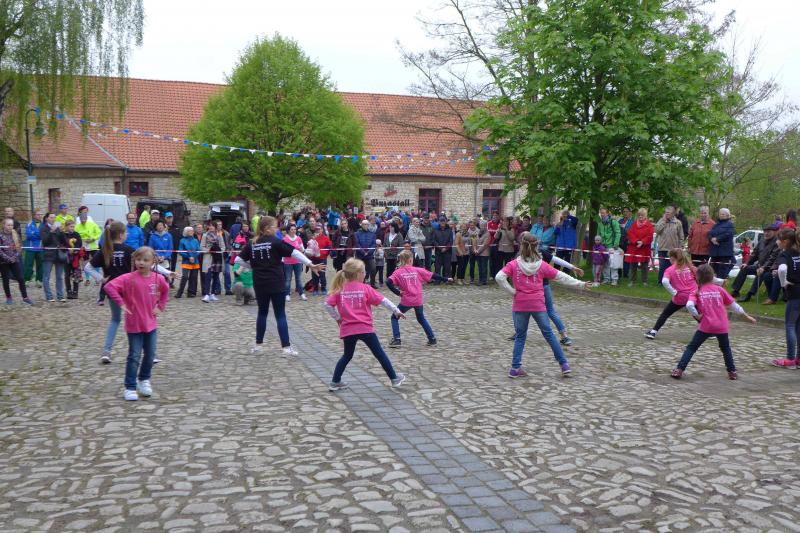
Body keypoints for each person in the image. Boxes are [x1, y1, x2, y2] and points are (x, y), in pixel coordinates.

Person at [495, 232, 589, 378]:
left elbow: (499, 277)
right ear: (536, 246)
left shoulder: (514, 264)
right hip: (538, 304)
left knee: (520, 337)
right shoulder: (542, 265)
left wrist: (512, 292)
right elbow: (561, 277)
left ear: (521, 246)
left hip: (520, 304)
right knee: (549, 334)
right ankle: (564, 365)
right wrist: (580, 284)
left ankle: (515, 368)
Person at [238, 216, 324, 355]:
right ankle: (286, 347)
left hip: (260, 283)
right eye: (275, 227)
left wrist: (254, 266)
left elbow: (238, 259)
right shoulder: (276, 242)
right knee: (280, 314)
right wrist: (310, 264)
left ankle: (258, 345)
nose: (277, 229)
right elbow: (295, 252)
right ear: (267, 228)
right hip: (276, 282)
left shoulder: (252, 243)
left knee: (262, 313)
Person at [324, 258, 406, 391]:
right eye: (364, 272)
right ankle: (394, 378)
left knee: (347, 356)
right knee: (379, 354)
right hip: (365, 329)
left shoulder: (340, 290)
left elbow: (327, 305)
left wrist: (338, 318)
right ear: (358, 274)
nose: (365, 274)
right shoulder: (365, 288)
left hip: (348, 330)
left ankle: (335, 381)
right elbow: (383, 300)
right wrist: (396, 311)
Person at [103, 247, 169, 401]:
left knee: (150, 355)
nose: (141, 263)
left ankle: (144, 379)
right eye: (138, 260)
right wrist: (120, 303)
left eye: (145, 260)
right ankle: (130, 386)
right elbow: (109, 287)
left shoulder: (158, 278)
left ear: (153, 262)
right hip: (134, 325)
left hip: (151, 324)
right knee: (134, 356)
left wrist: (160, 307)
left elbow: (165, 291)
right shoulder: (128, 278)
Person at [671, 264, 756, 380]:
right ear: (712, 276)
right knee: (725, 348)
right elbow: (735, 306)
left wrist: (697, 316)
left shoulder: (696, 292)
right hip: (722, 325)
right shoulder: (720, 290)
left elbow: (689, 305)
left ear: (697, 277)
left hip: (706, 325)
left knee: (692, 347)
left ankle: (679, 370)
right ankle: (732, 372)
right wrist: (747, 317)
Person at [85, 221, 134, 363]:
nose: (127, 234)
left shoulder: (105, 250)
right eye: (125, 232)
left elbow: (87, 268)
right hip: (129, 290)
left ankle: (106, 351)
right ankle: (145, 351)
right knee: (136, 320)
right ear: (121, 235)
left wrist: (102, 279)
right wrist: (167, 272)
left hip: (112, 291)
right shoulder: (129, 250)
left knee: (115, 319)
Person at [644, 248, 720, 340]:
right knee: (696, 313)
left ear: (672, 258)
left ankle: (653, 332)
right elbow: (705, 277)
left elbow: (664, 281)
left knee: (665, 314)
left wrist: (673, 292)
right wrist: (720, 281)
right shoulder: (690, 267)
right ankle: (710, 333)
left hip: (680, 297)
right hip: (693, 295)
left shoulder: (669, 270)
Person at [386, 250, 451, 348]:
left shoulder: (397, 272)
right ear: (410, 260)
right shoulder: (418, 270)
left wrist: (398, 292)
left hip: (406, 301)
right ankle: (432, 339)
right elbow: (433, 275)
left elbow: (388, 282)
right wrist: (446, 279)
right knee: (421, 319)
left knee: (394, 317)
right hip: (418, 300)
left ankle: (397, 339)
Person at [771, 228, 800, 368]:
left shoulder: (785, 254)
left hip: (794, 293)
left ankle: (790, 359)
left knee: (790, 325)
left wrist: (784, 283)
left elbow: (782, 269)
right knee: (799, 325)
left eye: (779, 239)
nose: (777, 242)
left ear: (785, 241)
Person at [731, 223, 778, 301]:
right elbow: (754, 254)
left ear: (774, 232)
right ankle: (736, 291)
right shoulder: (762, 240)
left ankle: (750, 294)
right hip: (759, 266)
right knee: (744, 268)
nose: (766, 233)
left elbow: (772, 258)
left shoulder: (776, 242)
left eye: (769, 231)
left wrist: (763, 267)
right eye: (765, 231)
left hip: (770, 268)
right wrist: (746, 263)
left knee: (761, 273)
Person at [0, 218, 32, 304]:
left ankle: (25, 297)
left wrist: (15, 257)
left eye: (11, 225)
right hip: (3, 261)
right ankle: (9, 297)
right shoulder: (0, 235)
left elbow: (20, 247)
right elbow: (0, 250)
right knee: (6, 280)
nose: (10, 227)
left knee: (21, 278)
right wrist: (7, 258)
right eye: (8, 225)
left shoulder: (15, 234)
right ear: (4, 225)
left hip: (15, 260)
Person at [655, 206, 685, 285]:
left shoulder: (678, 222)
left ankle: (672, 282)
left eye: (668, 213)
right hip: (662, 248)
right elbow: (657, 230)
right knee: (662, 266)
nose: (667, 214)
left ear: (673, 213)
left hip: (673, 249)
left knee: (672, 267)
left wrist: (680, 247)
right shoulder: (661, 220)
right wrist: (663, 222)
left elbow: (681, 236)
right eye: (666, 212)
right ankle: (661, 282)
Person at [40, 212, 66, 302]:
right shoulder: (43, 228)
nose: (53, 219)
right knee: (46, 276)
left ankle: (60, 295)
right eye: (51, 217)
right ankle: (49, 296)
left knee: (59, 277)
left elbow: (64, 241)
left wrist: (62, 232)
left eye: (54, 217)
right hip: (48, 255)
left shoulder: (58, 228)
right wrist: (51, 232)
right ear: (47, 218)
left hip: (58, 254)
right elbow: (45, 241)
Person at [625, 208, 654, 286]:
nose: (640, 216)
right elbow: (630, 234)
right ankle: (632, 280)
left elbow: (650, 236)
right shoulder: (634, 224)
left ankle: (644, 281)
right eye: (639, 215)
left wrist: (642, 242)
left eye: (642, 215)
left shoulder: (649, 225)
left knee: (644, 265)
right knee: (633, 265)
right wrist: (637, 241)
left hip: (644, 248)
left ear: (645, 216)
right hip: (634, 247)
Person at [708, 208, 735, 279]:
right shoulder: (716, 225)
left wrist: (717, 239)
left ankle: (722, 284)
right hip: (715, 252)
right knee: (714, 271)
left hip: (724, 252)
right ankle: (715, 284)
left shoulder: (730, 224)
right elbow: (710, 233)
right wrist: (712, 239)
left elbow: (728, 234)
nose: (721, 215)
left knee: (722, 272)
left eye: (723, 214)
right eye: (720, 214)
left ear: (727, 215)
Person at [282, 224, 306, 301]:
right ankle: (287, 294)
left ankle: (301, 293)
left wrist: (302, 250)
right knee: (288, 279)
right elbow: (282, 251)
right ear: (288, 230)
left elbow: (302, 249)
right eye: (292, 229)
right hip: (287, 262)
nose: (293, 231)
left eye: (294, 229)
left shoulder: (298, 238)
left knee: (298, 278)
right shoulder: (284, 239)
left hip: (298, 261)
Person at [200, 224, 224, 303]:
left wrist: (218, 251)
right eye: (210, 226)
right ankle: (207, 294)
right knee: (208, 276)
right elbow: (201, 247)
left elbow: (223, 246)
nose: (211, 227)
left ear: (215, 227)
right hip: (208, 258)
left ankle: (213, 294)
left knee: (216, 277)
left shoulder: (219, 235)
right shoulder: (205, 235)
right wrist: (209, 250)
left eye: (212, 226)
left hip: (217, 259)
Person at [597, 208, 621, 285]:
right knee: (605, 263)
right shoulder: (600, 223)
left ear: (607, 213)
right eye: (601, 213)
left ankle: (614, 279)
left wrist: (616, 244)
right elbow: (598, 235)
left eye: (603, 213)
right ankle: (606, 279)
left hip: (612, 246)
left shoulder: (613, 222)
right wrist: (598, 245)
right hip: (603, 246)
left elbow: (618, 233)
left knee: (613, 263)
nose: (602, 214)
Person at [175, 227, 200, 298]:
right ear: (186, 232)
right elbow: (181, 251)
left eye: (192, 231)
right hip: (186, 261)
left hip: (195, 261)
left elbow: (198, 250)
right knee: (185, 276)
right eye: (190, 231)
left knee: (193, 277)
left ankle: (190, 292)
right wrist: (189, 257)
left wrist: (194, 257)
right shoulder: (182, 240)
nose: (192, 232)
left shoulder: (195, 240)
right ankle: (180, 292)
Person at [62, 220, 83, 299]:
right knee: (67, 275)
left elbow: (79, 244)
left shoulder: (76, 234)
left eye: (73, 226)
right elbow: (62, 244)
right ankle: (69, 291)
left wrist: (74, 250)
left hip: (75, 258)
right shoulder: (63, 235)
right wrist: (67, 249)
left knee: (76, 274)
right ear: (66, 227)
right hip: (66, 257)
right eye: (71, 226)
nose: (72, 228)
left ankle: (75, 291)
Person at [354, 219, 377, 287]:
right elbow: (357, 244)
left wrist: (369, 252)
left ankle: (372, 283)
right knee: (360, 270)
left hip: (369, 255)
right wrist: (363, 252)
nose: (365, 225)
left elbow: (373, 244)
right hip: (360, 255)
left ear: (368, 225)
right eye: (364, 224)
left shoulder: (372, 234)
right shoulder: (357, 234)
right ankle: (362, 284)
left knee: (373, 268)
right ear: (361, 225)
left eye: (366, 224)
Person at [309, 224, 331, 295]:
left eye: (319, 229)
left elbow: (329, 247)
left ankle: (323, 288)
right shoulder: (312, 238)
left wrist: (325, 253)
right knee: (314, 274)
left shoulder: (326, 238)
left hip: (322, 259)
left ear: (322, 230)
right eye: (317, 229)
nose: (318, 231)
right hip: (314, 259)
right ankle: (315, 288)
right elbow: (309, 246)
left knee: (322, 274)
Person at [23, 209, 43, 287]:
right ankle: (26, 280)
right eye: (38, 214)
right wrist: (39, 234)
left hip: (40, 248)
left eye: (40, 214)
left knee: (40, 265)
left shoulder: (44, 225)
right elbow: (29, 235)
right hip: (30, 248)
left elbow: (43, 236)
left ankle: (39, 280)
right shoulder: (29, 224)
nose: (40, 216)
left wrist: (35, 233)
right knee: (28, 265)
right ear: (34, 215)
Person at [618, 208, 634, 279]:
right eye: (624, 211)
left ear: (629, 213)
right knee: (619, 257)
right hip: (620, 241)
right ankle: (619, 273)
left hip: (627, 242)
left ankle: (625, 274)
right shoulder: (619, 221)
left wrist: (625, 228)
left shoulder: (632, 222)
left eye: (627, 211)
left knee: (626, 258)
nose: (625, 213)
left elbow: (633, 233)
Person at [475, 220, 491, 285]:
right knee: (480, 267)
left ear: (486, 226)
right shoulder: (478, 232)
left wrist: (478, 251)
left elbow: (485, 245)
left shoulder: (488, 234)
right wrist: (475, 250)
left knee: (484, 267)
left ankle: (484, 280)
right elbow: (476, 241)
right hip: (478, 253)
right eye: (481, 226)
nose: (482, 227)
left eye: (484, 226)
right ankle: (480, 279)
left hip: (484, 253)